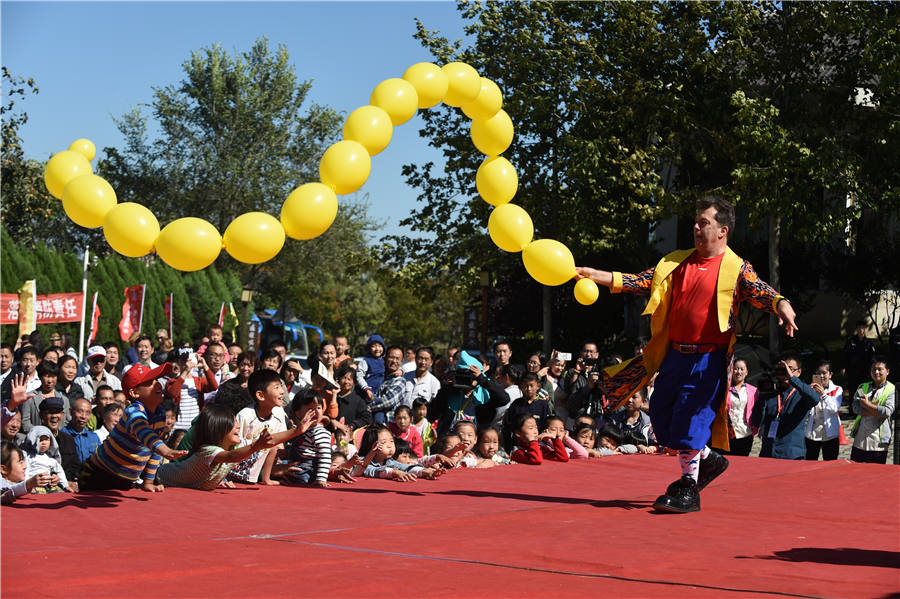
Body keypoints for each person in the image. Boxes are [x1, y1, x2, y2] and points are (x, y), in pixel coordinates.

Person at [576, 195, 797, 513]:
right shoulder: (675, 263)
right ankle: (709, 461)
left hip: (709, 360)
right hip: (674, 357)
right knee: (664, 427)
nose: (695, 227)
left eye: (703, 222)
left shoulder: (736, 268)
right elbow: (641, 281)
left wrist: (781, 303)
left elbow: (761, 290)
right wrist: (600, 275)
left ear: (723, 230)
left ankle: (688, 488)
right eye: (695, 221)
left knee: (691, 421)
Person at [77, 363, 188, 492]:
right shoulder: (133, 412)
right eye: (150, 382)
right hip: (97, 475)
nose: (158, 384)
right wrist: (165, 450)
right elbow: (145, 433)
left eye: (156, 380)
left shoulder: (161, 413)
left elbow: (154, 450)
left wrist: (148, 482)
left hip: (126, 480)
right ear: (134, 393)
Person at [156, 404, 276, 491]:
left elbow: (272, 440)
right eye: (233, 425)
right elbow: (231, 456)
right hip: (160, 477)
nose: (239, 427)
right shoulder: (207, 450)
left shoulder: (233, 445)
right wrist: (256, 447)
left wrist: (294, 431)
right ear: (219, 431)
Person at [228, 369, 308, 485]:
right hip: (240, 468)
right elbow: (234, 449)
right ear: (260, 395)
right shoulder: (245, 416)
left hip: (267, 466)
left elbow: (277, 445)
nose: (282, 391)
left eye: (281, 386)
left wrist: (283, 460)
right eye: (276, 387)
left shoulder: (279, 412)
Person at [751, 357, 820, 460]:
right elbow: (756, 422)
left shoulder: (802, 394)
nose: (786, 372)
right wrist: (761, 399)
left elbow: (815, 399)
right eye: (783, 369)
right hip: (769, 452)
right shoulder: (771, 393)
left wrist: (792, 379)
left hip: (791, 454)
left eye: (790, 369)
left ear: (799, 372)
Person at [428, 351, 510, 437]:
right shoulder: (450, 392)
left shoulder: (485, 393)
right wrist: (446, 390)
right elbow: (431, 414)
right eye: (462, 375)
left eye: (470, 375)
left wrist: (482, 380)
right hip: (451, 441)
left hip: (476, 442)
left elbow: (504, 399)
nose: (466, 379)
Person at [282, 389, 332, 487]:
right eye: (310, 409)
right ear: (298, 413)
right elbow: (302, 449)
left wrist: (321, 478)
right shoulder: (300, 430)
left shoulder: (320, 432)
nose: (315, 412)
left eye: (318, 408)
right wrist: (286, 453)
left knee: (293, 477)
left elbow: (325, 456)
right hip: (296, 465)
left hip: (307, 471)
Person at [850, 357, 894, 464]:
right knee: (855, 474)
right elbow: (855, 407)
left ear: (887, 371)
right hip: (859, 440)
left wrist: (866, 405)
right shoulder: (863, 386)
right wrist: (874, 410)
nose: (876, 372)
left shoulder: (892, 389)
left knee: (875, 476)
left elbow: (887, 412)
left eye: (880, 369)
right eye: (873, 369)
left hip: (878, 443)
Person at [165, 348, 218, 432]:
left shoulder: (199, 381)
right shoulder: (172, 382)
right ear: (178, 362)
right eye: (182, 360)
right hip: (177, 427)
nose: (186, 363)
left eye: (188, 360)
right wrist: (186, 370)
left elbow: (214, 386)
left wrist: (205, 366)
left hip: (195, 426)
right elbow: (173, 393)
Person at [713, 358, 758, 457]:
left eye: (742, 369)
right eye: (736, 369)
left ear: (746, 372)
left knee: (742, 463)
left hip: (745, 433)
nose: (739, 372)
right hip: (727, 434)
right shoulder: (724, 389)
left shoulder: (754, 391)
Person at [804, 360, 844, 461]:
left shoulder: (837, 389)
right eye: (818, 373)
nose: (821, 376)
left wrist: (824, 395)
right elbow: (806, 409)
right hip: (812, 434)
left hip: (830, 434)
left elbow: (834, 409)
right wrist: (810, 393)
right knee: (810, 463)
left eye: (824, 373)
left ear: (830, 374)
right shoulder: (809, 389)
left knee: (830, 464)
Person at [20, 360, 71, 435]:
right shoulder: (30, 398)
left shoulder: (64, 400)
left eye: (53, 376)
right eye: (47, 376)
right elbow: (25, 424)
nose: (50, 381)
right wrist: (42, 434)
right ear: (40, 377)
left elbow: (67, 422)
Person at [369, 346, 412, 424]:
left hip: (387, 424)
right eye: (391, 357)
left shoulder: (399, 381)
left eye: (397, 358)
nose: (394, 361)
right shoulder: (377, 375)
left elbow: (389, 402)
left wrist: (368, 407)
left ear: (401, 362)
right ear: (385, 358)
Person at [23, 424, 71, 492]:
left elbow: (59, 470)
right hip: (35, 486)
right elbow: (26, 471)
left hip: (49, 485)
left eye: (46, 440)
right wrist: (28, 485)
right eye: (41, 440)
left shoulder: (49, 458)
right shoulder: (28, 457)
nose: (44, 443)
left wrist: (66, 485)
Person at [843, 320, 875, 415]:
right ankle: (852, 410)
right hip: (853, 370)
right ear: (856, 329)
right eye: (859, 328)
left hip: (864, 370)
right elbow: (845, 355)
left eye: (862, 328)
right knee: (852, 389)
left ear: (865, 329)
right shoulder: (850, 341)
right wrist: (844, 367)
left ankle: (863, 408)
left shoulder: (868, 343)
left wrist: (871, 369)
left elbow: (872, 357)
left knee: (863, 389)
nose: (861, 330)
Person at [332, 364, 371, 434]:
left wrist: (353, 425)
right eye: (344, 378)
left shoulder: (358, 401)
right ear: (339, 379)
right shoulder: (332, 396)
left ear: (353, 382)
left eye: (349, 379)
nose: (346, 382)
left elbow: (367, 419)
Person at [62, 398, 101, 465]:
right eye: (80, 411)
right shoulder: (62, 436)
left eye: (87, 413)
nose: (83, 416)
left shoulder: (94, 437)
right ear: (70, 412)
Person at [355, 334, 386, 401]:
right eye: (373, 346)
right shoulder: (365, 361)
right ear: (369, 348)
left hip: (380, 394)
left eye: (380, 346)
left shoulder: (384, 360)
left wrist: (401, 371)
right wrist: (366, 389)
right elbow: (359, 376)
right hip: (367, 394)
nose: (377, 349)